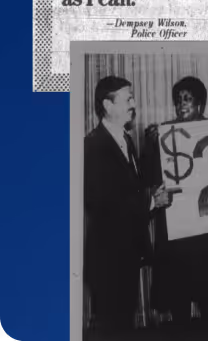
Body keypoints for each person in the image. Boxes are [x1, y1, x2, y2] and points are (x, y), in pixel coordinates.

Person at [143, 76, 208, 328]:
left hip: (207, 226)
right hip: (177, 227)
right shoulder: (165, 134)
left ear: (200, 104)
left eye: (187, 99)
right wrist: (151, 145)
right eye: (178, 100)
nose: (181, 105)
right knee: (178, 290)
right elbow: (150, 177)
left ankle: (207, 328)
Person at [84, 76, 170, 336]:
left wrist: (154, 147)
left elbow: (133, 184)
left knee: (123, 324)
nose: (134, 104)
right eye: (128, 99)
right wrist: (152, 200)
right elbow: (104, 201)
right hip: (108, 260)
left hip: (126, 255)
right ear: (108, 106)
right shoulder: (94, 146)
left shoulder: (126, 140)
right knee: (110, 326)